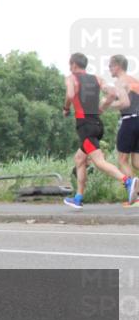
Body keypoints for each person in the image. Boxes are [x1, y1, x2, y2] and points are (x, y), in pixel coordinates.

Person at [62, 53, 137, 208]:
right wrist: (102, 108)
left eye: (70, 65)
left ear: (74, 65)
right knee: (79, 159)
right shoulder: (97, 78)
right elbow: (112, 93)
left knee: (98, 161)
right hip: (97, 124)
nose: (70, 68)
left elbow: (70, 94)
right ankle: (78, 198)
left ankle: (127, 181)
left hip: (85, 127)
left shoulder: (71, 78)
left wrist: (66, 108)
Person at [103, 54, 139, 188]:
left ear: (118, 66)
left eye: (111, 66)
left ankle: (135, 195)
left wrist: (106, 105)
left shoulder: (120, 82)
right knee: (136, 162)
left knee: (122, 160)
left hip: (129, 121)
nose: (109, 68)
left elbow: (125, 103)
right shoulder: (135, 81)